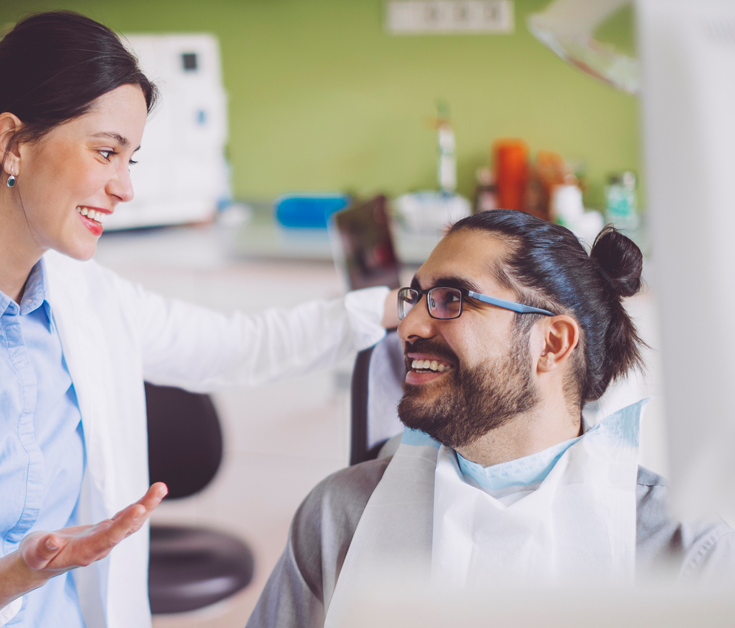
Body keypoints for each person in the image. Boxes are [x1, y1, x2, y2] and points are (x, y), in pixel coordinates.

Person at [0, 11, 393, 628]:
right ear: (13, 143)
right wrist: (14, 577)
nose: (124, 188)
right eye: (105, 152)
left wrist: (396, 306)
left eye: (131, 160)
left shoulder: (87, 301)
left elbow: (241, 347)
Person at [246, 210, 735, 628]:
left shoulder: (683, 551)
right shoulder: (337, 517)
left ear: (553, 343)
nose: (410, 325)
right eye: (414, 298)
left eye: (451, 299)